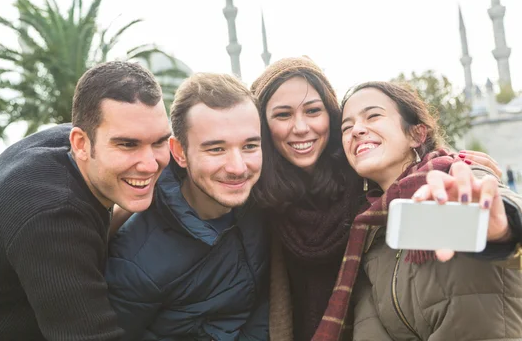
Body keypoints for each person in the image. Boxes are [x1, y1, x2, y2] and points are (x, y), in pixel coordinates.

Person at [250, 57, 505, 341]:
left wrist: (503, 229)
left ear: (416, 133)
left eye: (313, 110)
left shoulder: (445, 180)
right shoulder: (370, 221)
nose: (300, 127)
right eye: (283, 115)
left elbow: (495, 217)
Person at [0, 61, 172, 340]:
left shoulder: (74, 147)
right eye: (128, 145)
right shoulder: (52, 214)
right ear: (80, 143)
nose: (151, 164)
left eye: (160, 141)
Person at [315, 81, 522, 341]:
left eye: (374, 115)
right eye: (346, 127)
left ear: (417, 134)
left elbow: (505, 219)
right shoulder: (368, 231)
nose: (356, 130)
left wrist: (503, 229)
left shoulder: (455, 180)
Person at [106, 73, 270, 340]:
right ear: (179, 152)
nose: (238, 167)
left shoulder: (262, 202)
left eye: (250, 145)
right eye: (216, 149)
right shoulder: (135, 260)